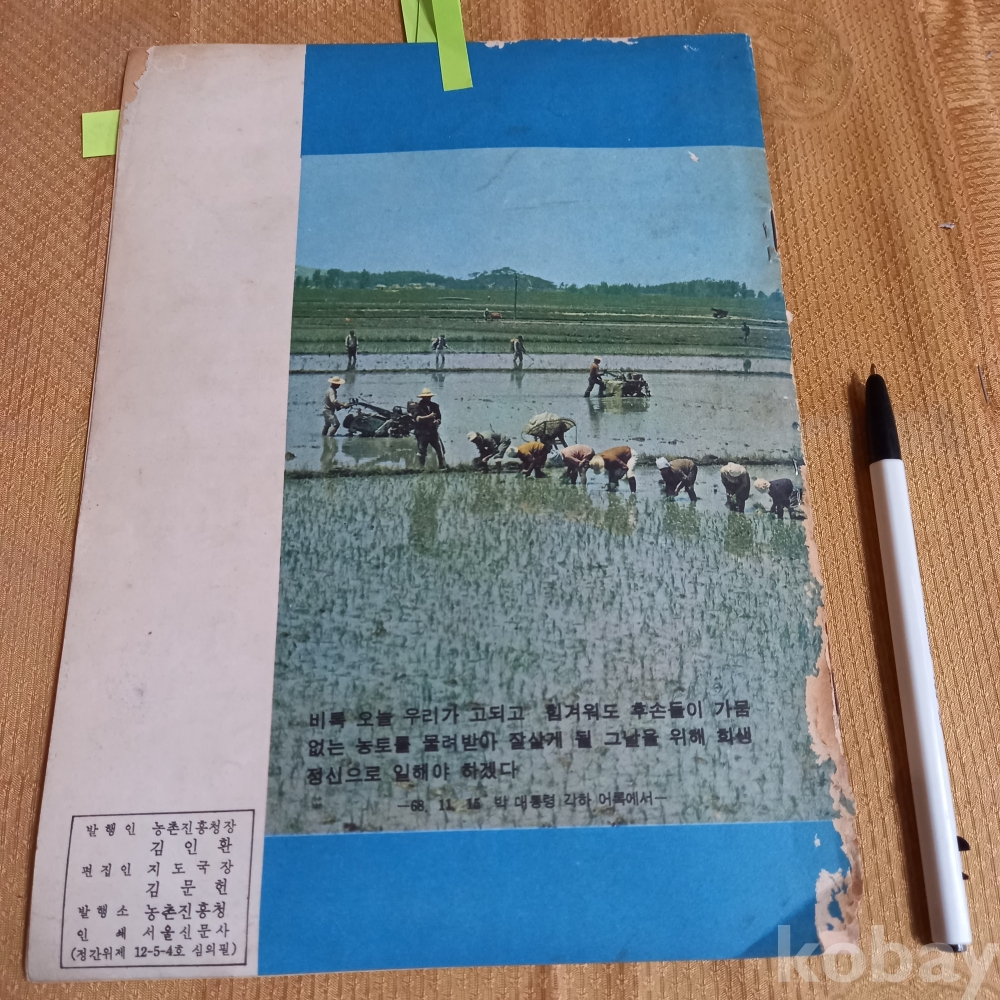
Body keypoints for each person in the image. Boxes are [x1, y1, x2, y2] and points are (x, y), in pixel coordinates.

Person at [413, 388, 446, 468]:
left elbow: (439, 418)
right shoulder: (418, 406)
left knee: (439, 450)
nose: (428, 398)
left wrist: (437, 421)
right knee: (422, 450)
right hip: (422, 432)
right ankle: (421, 467)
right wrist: (429, 417)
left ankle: (442, 466)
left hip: (433, 432)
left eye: (429, 397)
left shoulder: (435, 406)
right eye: (426, 397)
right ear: (423, 397)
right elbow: (417, 418)